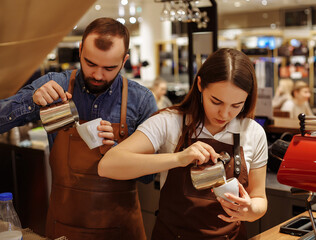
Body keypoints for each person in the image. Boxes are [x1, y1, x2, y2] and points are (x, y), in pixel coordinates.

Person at [0, 17, 157, 240]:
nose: (98, 75)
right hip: (64, 228)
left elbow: (150, 177)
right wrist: (31, 101)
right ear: (80, 50)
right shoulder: (56, 85)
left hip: (121, 230)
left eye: (110, 67)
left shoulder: (141, 100)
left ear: (124, 61)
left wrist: (122, 151)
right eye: (90, 63)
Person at [98, 48, 268, 240]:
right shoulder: (169, 122)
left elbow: (259, 198)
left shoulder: (253, 132)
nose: (225, 114)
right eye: (216, 101)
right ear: (200, 84)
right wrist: (178, 158)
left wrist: (251, 210)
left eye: (236, 105)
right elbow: (108, 165)